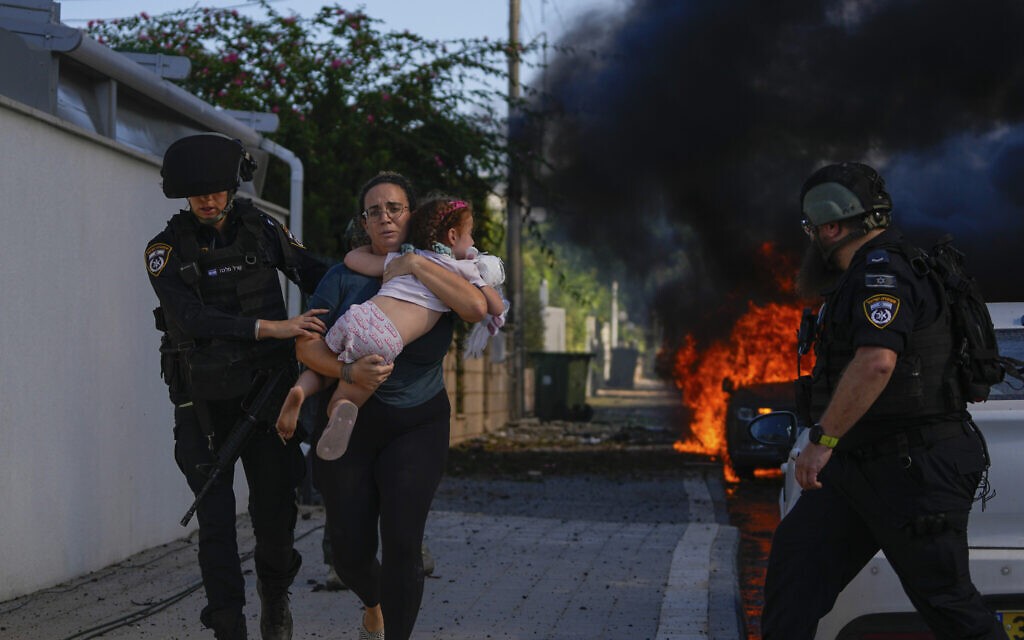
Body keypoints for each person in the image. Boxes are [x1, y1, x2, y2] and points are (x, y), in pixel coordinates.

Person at [761, 162, 1005, 639]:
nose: (811, 239)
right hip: (857, 470)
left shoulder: (883, 273)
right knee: (796, 574)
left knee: (947, 603)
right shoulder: (860, 277)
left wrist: (823, 439)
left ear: (833, 226)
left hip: (914, 469)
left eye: (813, 228)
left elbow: (876, 362)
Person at [145, 133, 329, 640]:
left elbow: (314, 273)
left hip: (268, 394)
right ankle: (228, 625)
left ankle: (275, 597)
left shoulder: (263, 229)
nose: (209, 199)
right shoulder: (163, 250)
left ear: (233, 186)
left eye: (218, 189)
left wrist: (380, 286)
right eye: (198, 192)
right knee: (217, 521)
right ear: (183, 194)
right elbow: (192, 316)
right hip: (202, 402)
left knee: (274, 513)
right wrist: (272, 329)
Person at [297, 172, 489, 640]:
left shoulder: (441, 269)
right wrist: (347, 374)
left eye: (394, 208)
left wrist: (417, 267)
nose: (384, 217)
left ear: (413, 215)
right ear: (363, 222)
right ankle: (373, 603)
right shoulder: (341, 278)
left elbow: (476, 307)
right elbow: (307, 345)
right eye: (373, 211)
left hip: (417, 424)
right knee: (348, 552)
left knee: (404, 542)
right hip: (352, 423)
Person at [275, 197, 506, 460]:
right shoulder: (463, 270)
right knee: (351, 391)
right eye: (471, 235)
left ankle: (300, 390)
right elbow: (494, 308)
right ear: (453, 236)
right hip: (386, 338)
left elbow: (353, 259)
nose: (473, 242)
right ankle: (341, 408)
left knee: (325, 365)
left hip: (359, 316)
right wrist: (485, 283)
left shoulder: (406, 257)